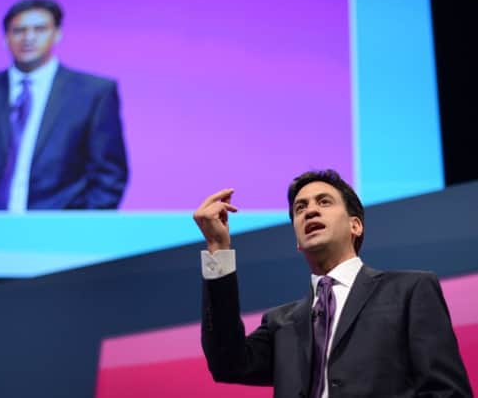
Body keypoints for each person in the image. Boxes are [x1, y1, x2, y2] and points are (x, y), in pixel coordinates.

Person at [193, 170, 471, 397]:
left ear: (355, 225)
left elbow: (447, 392)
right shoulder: (281, 322)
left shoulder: (410, 290)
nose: (310, 211)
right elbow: (226, 363)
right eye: (300, 208)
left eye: (324, 202)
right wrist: (218, 247)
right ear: (297, 240)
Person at [0, 0, 128, 211]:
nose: (28, 38)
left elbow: (110, 175)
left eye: (39, 29)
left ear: (57, 34)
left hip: (54, 227)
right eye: (18, 30)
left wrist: (79, 229)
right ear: (5, 38)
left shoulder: (92, 92)